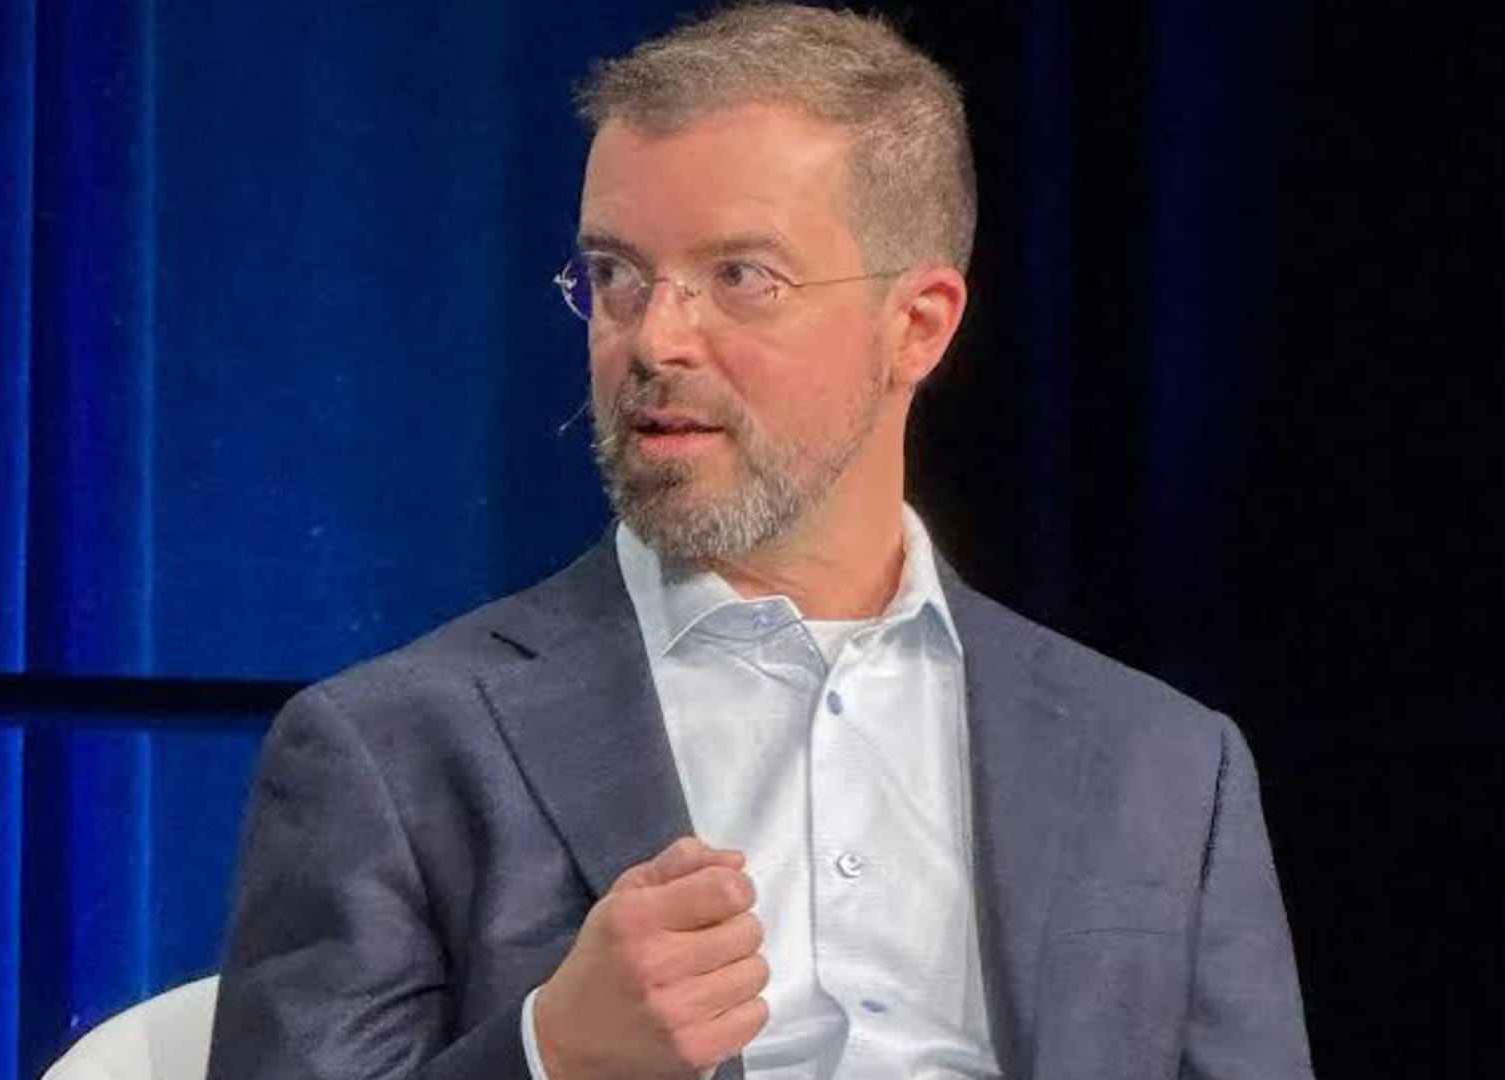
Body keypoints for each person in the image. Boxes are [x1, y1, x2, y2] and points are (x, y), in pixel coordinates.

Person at [206, 6, 1314, 1080]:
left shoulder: (1167, 769)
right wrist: (553, 1057)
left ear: (917, 325)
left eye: (741, 278)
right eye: (615, 275)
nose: (656, 338)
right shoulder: (395, 752)